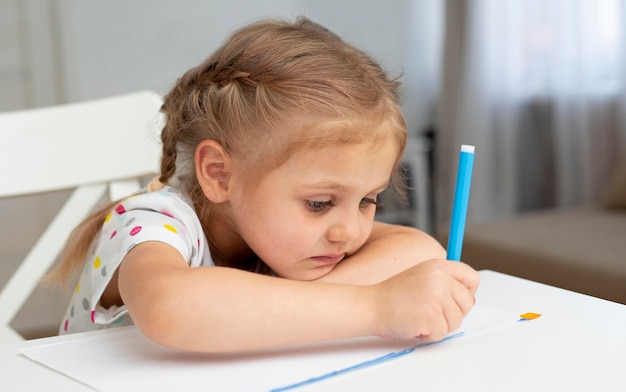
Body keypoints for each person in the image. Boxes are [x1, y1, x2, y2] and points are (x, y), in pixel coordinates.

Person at [50, 17, 479, 353]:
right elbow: (170, 308)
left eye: (368, 200)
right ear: (220, 174)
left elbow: (420, 253)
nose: (349, 231)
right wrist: (376, 306)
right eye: (319, 203)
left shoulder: (289, 234)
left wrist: (275, 315)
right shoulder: (153, 223)